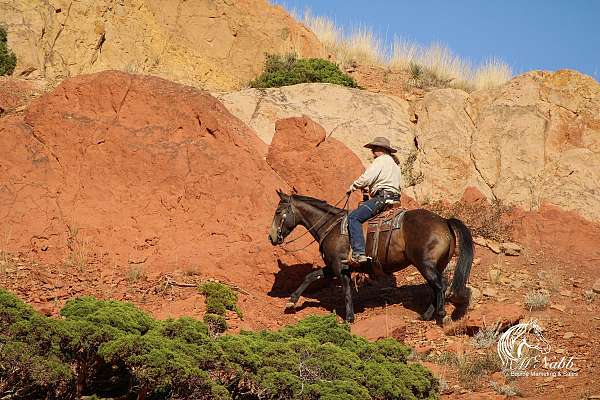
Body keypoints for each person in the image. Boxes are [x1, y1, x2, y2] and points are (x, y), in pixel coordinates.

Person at [345, 137, 401, 265]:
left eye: (374, 148)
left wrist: (353, 187)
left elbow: (367, 177)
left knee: (354, 218)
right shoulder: (394, 164)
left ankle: (359, 253)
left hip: (382, 199)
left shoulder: (380, 160)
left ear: (381, 149)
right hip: (395, 199)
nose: (372, 152)